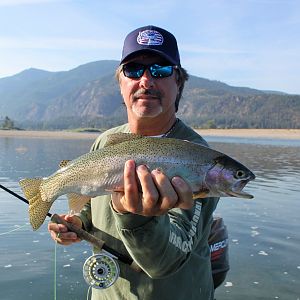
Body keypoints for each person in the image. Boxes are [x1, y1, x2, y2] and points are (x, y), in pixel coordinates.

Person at [48, 25, 219, 300]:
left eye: (161, 70)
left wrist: (133, 216)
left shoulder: (198, 158)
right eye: (134, 70)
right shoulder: (105, 142)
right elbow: (91, 204)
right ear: (121, 83)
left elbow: (167, 260)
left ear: (179, 82)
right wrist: (77, 223)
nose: (146, 81)